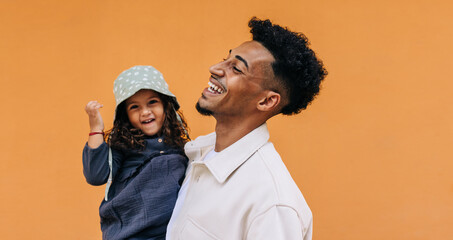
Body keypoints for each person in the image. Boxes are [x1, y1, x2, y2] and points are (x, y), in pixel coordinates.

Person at [166, 17, 327, 240]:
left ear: (267, 101)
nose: (215, 68)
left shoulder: (272, 204)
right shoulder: (199, 155)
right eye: (226, 59)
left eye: (237, 69)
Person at [82, 65, 189, 240]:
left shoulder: (180, 145)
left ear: (166, 105)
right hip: (130, 232)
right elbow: (96, 176)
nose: (145, 112)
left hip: (169, 233)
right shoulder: (124, 145)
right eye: (134, 107)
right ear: (125, 115)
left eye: (152, 102)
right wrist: (96, 128)